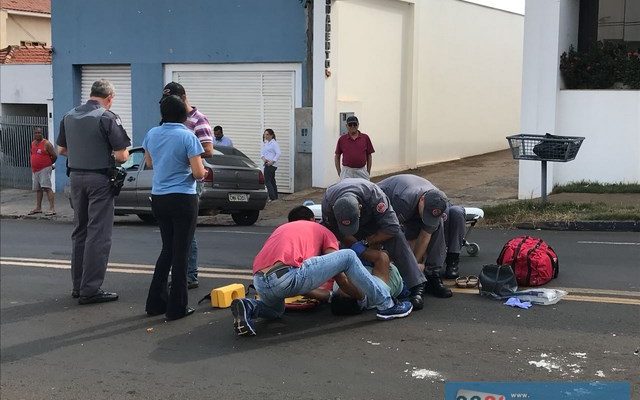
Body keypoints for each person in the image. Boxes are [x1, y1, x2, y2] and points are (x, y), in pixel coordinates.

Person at [230, 219, 413, 336]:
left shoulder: (286, 228)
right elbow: (340, 275)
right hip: (286, 275)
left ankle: (250, 305)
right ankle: (386, 304)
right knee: (348, 256)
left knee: (276, 311)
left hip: (260, 279)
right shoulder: (326, 233)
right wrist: (360, 297)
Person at [56, 79, 130, 304]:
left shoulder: (69, 116)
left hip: (76, 178)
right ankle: (91, 289)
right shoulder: (107, 117)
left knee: (80, 231)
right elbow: (122, 155)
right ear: (109, 98)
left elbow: (62, 150)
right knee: (98, 234)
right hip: (99, 179)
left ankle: (78, 286)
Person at [143, 95, 207, 321]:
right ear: (184, 115)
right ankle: (177, 307)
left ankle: (155, 303)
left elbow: (150, 163)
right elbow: (198, 173)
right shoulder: (187, 136)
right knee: (182, 252)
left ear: (163, 115)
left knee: (167, 250)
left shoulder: (151, 134)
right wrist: (202, 174)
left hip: (159, 197)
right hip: (183, 198)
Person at [321, 178, 428, 310]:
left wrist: (364, 244)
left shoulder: (375, 196)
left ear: (360, 208)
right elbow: (334, 230)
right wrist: (358, 247)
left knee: (396, 237)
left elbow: (392, 228)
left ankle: (416, 284)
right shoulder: (376, 293)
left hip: (373, 220)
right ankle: (417, 280)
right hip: (385, 270)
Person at [161, 82, 214, 289]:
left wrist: (186, 152)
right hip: (169, 181)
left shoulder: (198, 120)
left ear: (183, 97)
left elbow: (208, 149)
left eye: (171, 99)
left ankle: (189, 274)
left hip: (190, 180)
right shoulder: (166, 120)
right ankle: (179, 271)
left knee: (186, 231)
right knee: (173, 233)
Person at [379, 175, 467, 298]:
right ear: (422, 200)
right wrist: (410, 271)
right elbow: (393, 235)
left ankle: (432, 275)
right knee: (397, 235)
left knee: (437, 224)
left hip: (413, 203)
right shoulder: (403, 201)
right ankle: (412, 281)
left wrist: (415, 266)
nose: (427, 217)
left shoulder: (437, 200)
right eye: (425, 213)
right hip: (385, 203)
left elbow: (426, 235)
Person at [334, 115, 375, 180]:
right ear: (346, 126)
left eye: (354, 124)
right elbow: (337, 156)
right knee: (346, 190)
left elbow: (369, 155)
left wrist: (368, 171)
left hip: (361, 171)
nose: (352, 126)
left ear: (358, 125)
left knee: (364, 189)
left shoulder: (365, 138)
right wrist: (339, 172)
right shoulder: (342, 139)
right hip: (347, 172)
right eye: (350, 124)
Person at [29, 127, 57, 216]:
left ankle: (52, 208)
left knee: (47, 188)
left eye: (39, 133)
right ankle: (38, 208)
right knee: (38, 189)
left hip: (44, 169)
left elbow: (54, 155)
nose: (37, 134)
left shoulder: (47, 144)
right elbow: (32, 154)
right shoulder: (33, 143)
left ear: (42, 134)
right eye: (36, 133)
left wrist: (49, 164)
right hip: (35, 170)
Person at [261, 128, 281, 201]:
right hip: (266, 163)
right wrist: (263, 158)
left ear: (272, 135)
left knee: (267, 181)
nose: (266, 136)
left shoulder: (274, 143)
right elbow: (262, 153)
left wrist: (272, 161)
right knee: (272, 180)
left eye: (267, 134)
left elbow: (278, 153)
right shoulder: (266, 143)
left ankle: (272, 198)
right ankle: (275, 197)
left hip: (271, 165)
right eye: (265, 134)